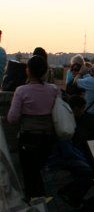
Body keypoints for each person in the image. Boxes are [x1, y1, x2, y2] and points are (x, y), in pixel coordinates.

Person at [7, 55, 58, 199]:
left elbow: (12, 118)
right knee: (36, 171)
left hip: (29, 139)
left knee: (29, 173)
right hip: (48, 139)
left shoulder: (21, 91)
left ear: (28, 70)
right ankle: (40, 198)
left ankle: (35, 200)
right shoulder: (54, 90)